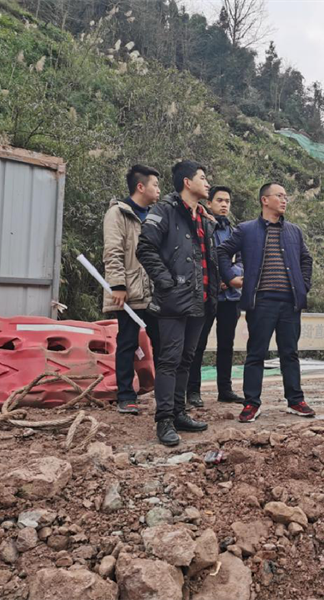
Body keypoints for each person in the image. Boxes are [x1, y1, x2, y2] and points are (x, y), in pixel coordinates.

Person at [136, 160, 219, 446]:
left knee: (186, 358)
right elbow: (145, 248)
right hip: (173, 299)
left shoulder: (203, 217)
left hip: (200, 299)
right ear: (187, 182)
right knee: (169, 360)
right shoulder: (165, 211)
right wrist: (166, 281)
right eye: (202, 178)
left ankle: (179, 412)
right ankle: (164, 420)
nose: (207, 183)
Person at [217, 182, 314, 423]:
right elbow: (221, 252)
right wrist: (230, 278)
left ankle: (295, 400)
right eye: (279, 195)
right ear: (265, 200)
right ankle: (252, 403)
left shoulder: (294, 231)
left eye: (285, 196)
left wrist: (303, 285)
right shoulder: (246, 229)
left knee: (290, 353)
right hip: (260, 302)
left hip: (290, 302)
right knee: (256, 353)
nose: (284, 200)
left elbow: (306, 259)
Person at [102, 165, 163, 415]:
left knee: (162, 343)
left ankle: (165, 395)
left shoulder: (156, 215)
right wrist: (117, 285)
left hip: (156, 292)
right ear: (140, 187)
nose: (158, 190)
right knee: (127, 342)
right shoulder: (118, 213)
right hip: (129, 292)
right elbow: (113, 250)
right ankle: (126, 395)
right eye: (155, 185)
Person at [186, 186, 246, 407]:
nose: (224, 205)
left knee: (226, 344)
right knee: (197, 344)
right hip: (206, 295)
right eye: (220, 200)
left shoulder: (235, 232)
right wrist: (217, 279)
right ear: (209, 203)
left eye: (227, 201)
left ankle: (225, 389)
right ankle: (193, 391)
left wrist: (229, 278)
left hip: (230, 296)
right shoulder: (202, 227)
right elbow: (197, 257)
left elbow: (242, 260)